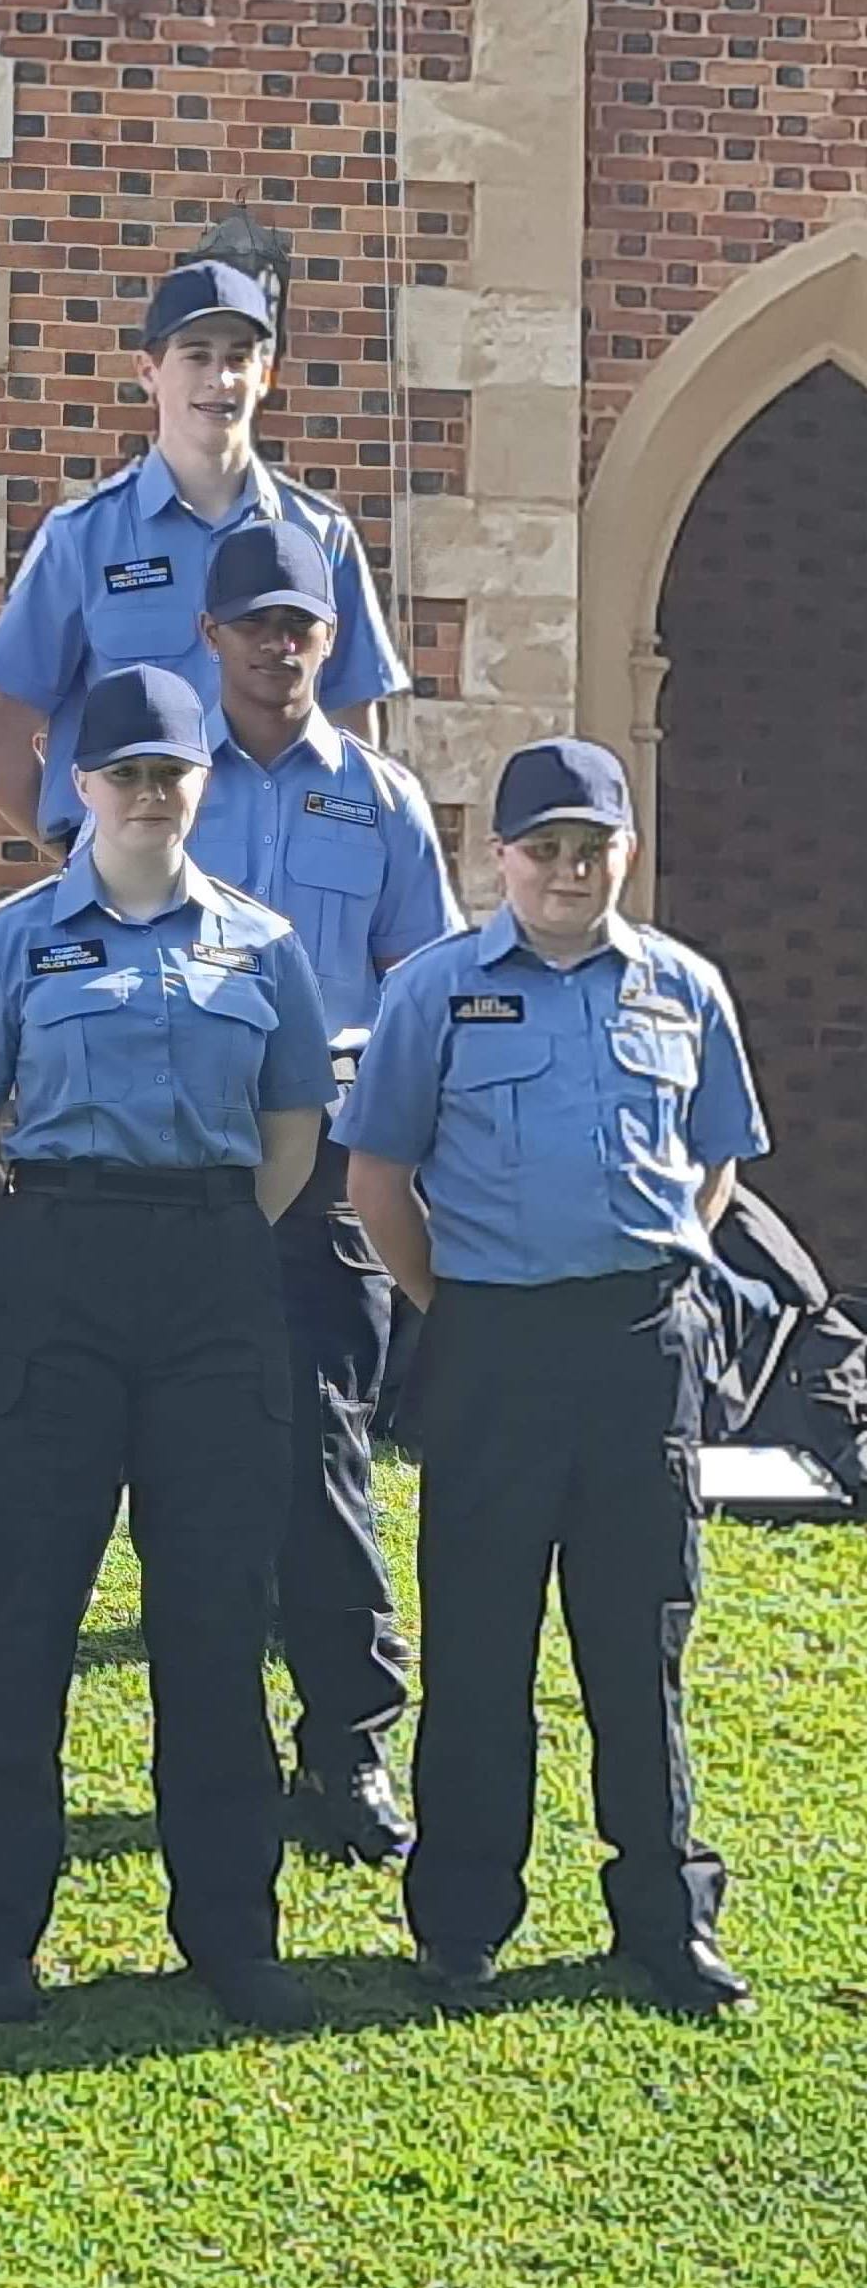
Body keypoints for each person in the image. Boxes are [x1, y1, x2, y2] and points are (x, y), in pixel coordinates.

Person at [0, 664, 333, 2032]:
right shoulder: (12, 940)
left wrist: (194, 1238)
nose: (151, 794)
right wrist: (48, 1254)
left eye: (173, 771)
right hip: (56, 1269)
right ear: (78, 787)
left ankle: (228, 1929)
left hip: (213, 1273)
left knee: (214, 1614)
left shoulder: (264, 947)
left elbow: (288, 1140)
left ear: (199, 785)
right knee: (20, 1606)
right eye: (126, 772)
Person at [343, 739, 767, 2016]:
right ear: (502, 857)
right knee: (479, 1642)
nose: (571, 870)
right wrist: (459, 1307)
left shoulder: (685, 989)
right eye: (547, 848)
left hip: (641, 1349)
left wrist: (635, 1268)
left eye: (595, 847)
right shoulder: (434, 991)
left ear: (625, 854)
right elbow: (378, 1179)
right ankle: (465, 1916)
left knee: (639, 1642)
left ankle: (664, 1917)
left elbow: (716, 1161)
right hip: (493, 1345)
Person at [185, 521, 462, 1869]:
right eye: (255, 623)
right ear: (213, 637)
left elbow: (426, 1003)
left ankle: (347, 1749)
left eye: (301, 624)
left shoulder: (385, 801)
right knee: (172, 1468)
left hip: (328, 1188)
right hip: (186, 1173)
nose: (278, 644)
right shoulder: (158, 785)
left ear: (330, 639)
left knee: (325, 1461)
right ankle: (208, 1747)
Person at [0, 261, 407, 848]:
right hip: (141, 907)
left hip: (288, 897)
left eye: (239, 358)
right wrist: (89, 864)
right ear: (148, 371)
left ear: (266, 374)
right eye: (196, 355)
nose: (220, 379)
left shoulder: (322, 538)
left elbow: (356, 739)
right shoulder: (83, 539)